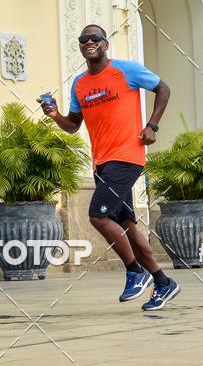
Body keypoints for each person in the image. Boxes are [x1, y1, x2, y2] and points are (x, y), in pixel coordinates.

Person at [40, 25, 180, 310]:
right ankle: (163, 283)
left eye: (94, 39)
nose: (88, 42)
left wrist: (152, 125)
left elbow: (163, 87)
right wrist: (55, 115)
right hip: (101, 162)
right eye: (83, 40)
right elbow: (73, 125)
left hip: (127, 156)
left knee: (98, 216)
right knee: (126, 225)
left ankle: (134, 271)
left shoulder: (126, 70)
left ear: (105, 44)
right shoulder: (79, 84)